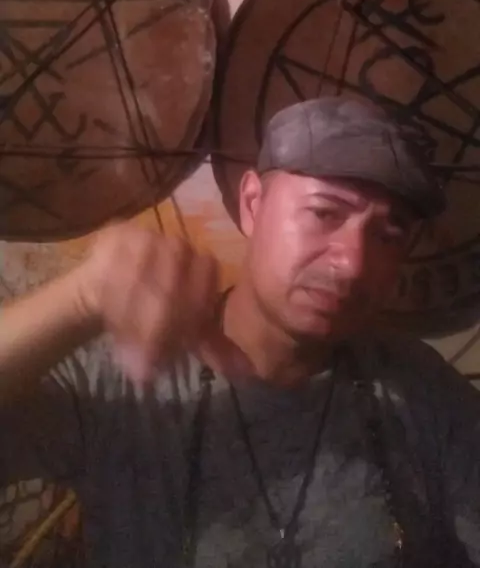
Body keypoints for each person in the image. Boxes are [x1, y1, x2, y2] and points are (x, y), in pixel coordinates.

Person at [1, 96, 480, 568]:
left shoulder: (419, 392)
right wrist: (79, 298)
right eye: (325, 213)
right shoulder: (127, 375)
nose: (353, 264)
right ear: (253, 204)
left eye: (388, 235)